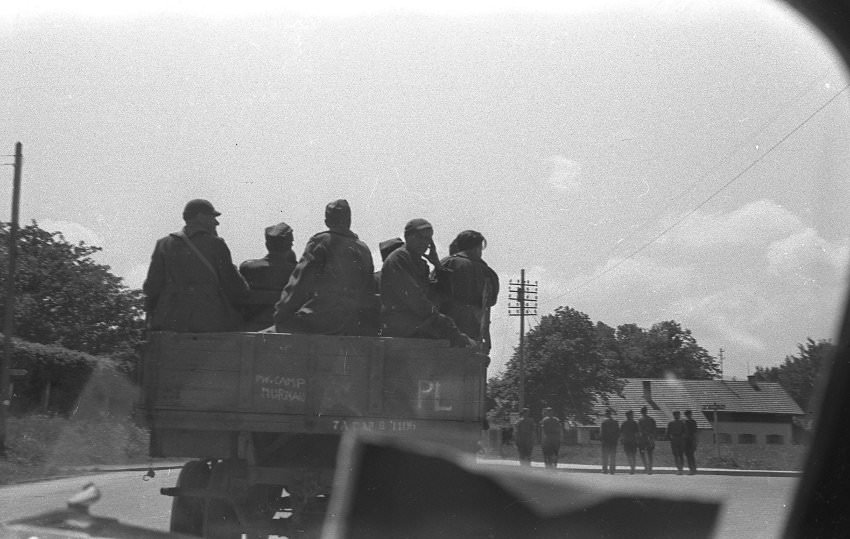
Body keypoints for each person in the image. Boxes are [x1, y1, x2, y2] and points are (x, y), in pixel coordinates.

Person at [143, 199, 248, 332]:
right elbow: (233, 285)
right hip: (209, 322)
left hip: (170, 323)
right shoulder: (216, 244)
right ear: (200, 217)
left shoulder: (163, 244)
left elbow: (152, 287)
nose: (216, 222)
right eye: (212, 217)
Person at [274, 200, 377, 336]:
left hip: (319, 322)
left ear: (327, 221)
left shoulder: (320, 242)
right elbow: (369, 290)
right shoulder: (364, 249)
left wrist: (281, 313)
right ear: (349, 220)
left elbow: (299, 283)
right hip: (354, 325)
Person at [379, 218, 475, 347]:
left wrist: (437, 265)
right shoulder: (399, 259)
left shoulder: (420, 264)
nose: (424, 243)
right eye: (420, 237)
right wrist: (442, 322)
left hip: (415, 323)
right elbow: (416, 300)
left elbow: (440, 297)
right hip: (403, 324)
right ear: (408, 237)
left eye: (428, 239)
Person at [434, 230, 500, 353]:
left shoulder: (447, 263)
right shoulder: (489, 273)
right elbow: (491, 301)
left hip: (445, 334)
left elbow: (432, 294)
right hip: (475, 336)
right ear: (477, 248)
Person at [239, 222, 297, 331]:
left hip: (250, 327)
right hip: (282, 328)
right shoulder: (295, 271)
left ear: (267, 245)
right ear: (290, 246)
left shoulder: (247, 267)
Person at [599, 409, 620, 475]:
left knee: (605, 456)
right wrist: (615, 439)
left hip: (606, 442)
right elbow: (618, 432)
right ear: (610, 414)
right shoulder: (615, 422)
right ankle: (612, 470)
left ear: (606, 414)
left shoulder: (604, 422)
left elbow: (602, 433)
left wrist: (601, 439)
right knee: (613, 456)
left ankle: (605, 470)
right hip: (613, 442)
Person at [637, 406, 657, 474]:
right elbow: (654, 430)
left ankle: (646, 467)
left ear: (642, 412)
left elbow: (639, 430)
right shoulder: (651, 419)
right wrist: (652, 436)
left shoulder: (640, 420)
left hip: (643, 439)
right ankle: (650, 468)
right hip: (649, 438)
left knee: (643, 453)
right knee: (649, 454)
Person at [667, 410, 687, 475]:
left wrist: (683, 437)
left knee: (681, 454)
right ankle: (678, 468)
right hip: (674, 439)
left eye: (678, 415)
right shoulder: (671, 423)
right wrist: (670, 438)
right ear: (674, 415)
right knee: (675, 455)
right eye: (676, 415)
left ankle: (681, 469)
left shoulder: (682, 423)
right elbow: (668, 432)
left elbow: (685, 431)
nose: (677, 416)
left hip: (680, 439)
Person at [620, 410, 640, 474]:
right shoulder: (634, 423)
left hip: (627, 441)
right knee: (632, 455)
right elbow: (637, 433)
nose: (632, 416)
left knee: (629, 455)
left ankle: (632, 468)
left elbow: (621, 433)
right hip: (632, 442)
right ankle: (632, 468)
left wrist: (622, 440)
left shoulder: (624, 423)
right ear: (629, 416)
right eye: (631, 415)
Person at [683, 409, 699, 475]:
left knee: (691, 455)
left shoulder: (693, 422)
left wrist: (695, 441)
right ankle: (691, 469)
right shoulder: (684, 422)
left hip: (691, 440)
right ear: (686, 415)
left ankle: (693, 469)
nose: (689, 415)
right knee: (688, 455)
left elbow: (695, 432)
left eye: (690, 414)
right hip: (686, 440)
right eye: (687, 414)